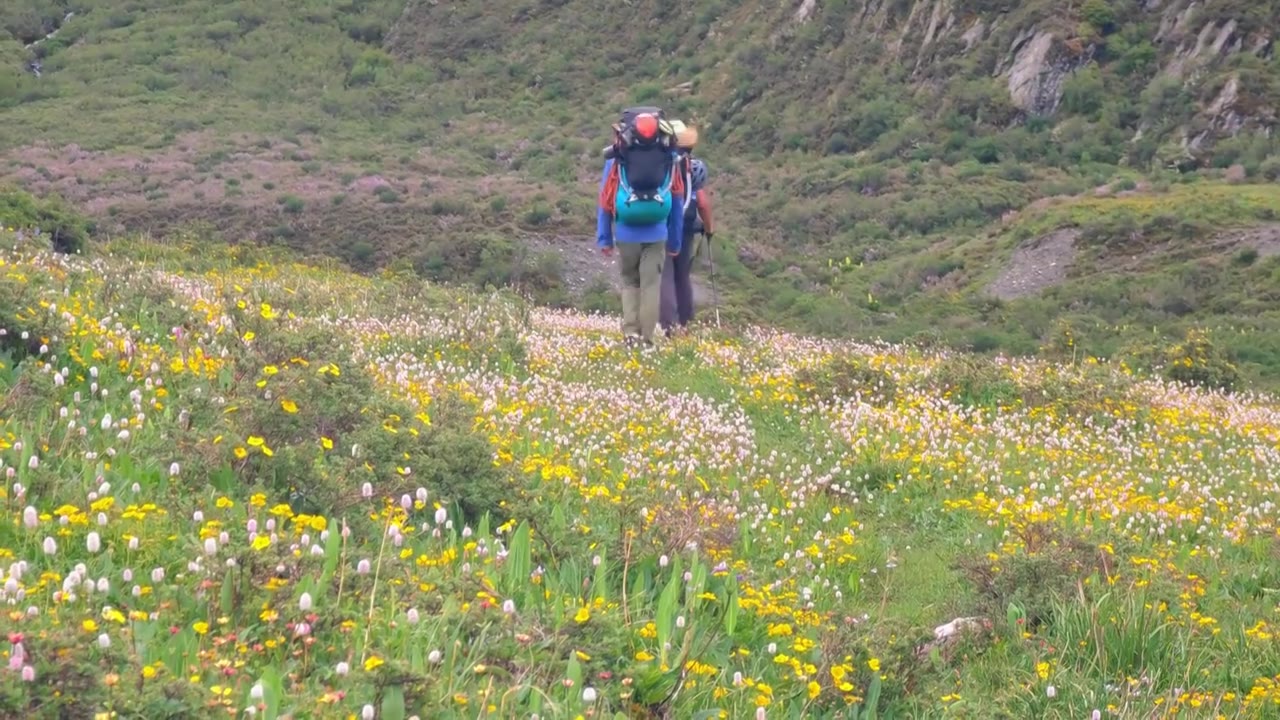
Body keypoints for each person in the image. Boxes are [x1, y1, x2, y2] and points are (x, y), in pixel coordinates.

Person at [596, 109, 686, 346]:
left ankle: (630, 334)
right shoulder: (669, 157)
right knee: (650, 285)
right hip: (657, 233)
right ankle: (648, 339)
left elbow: (605, 199)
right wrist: (675, 241)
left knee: (629, 282)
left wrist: (604, 238)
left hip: (626, 231)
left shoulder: (619, 157)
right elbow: (676, 202)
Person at [660, 121, 714, 336]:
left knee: (665, 275)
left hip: (662, 225)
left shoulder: (660, 164)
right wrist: (709, 229)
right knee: (682, 276)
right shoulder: (694, 167)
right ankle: (686, 323)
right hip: (687, 227)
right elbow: (702, 202)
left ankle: (668, 326)